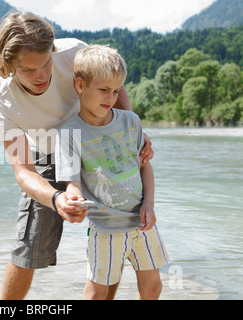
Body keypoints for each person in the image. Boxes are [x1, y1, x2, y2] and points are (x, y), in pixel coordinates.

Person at [0, 11, 154, 300]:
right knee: (30, 245)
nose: (41, 75)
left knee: (119, 228)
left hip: (100, 144)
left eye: (46, 63)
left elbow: (113, 82)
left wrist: (125, 126)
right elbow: (24, 172)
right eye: (28, 69)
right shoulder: (2, 103)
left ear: (53, 51)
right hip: (48, 155)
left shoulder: (74, 51)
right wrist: (55, 198)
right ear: (9, 65)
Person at [55, 44, 169, 300]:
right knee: (97, 292)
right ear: (80, 85)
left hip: (142, 221)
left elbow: (144, 167)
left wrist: (149, 205)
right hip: (105, 227)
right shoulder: (69, 133)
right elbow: (72, 184)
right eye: (104, 90)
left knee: (153, 287)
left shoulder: (131, 122)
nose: (111, 97)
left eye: (116, 90)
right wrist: (73, 201)